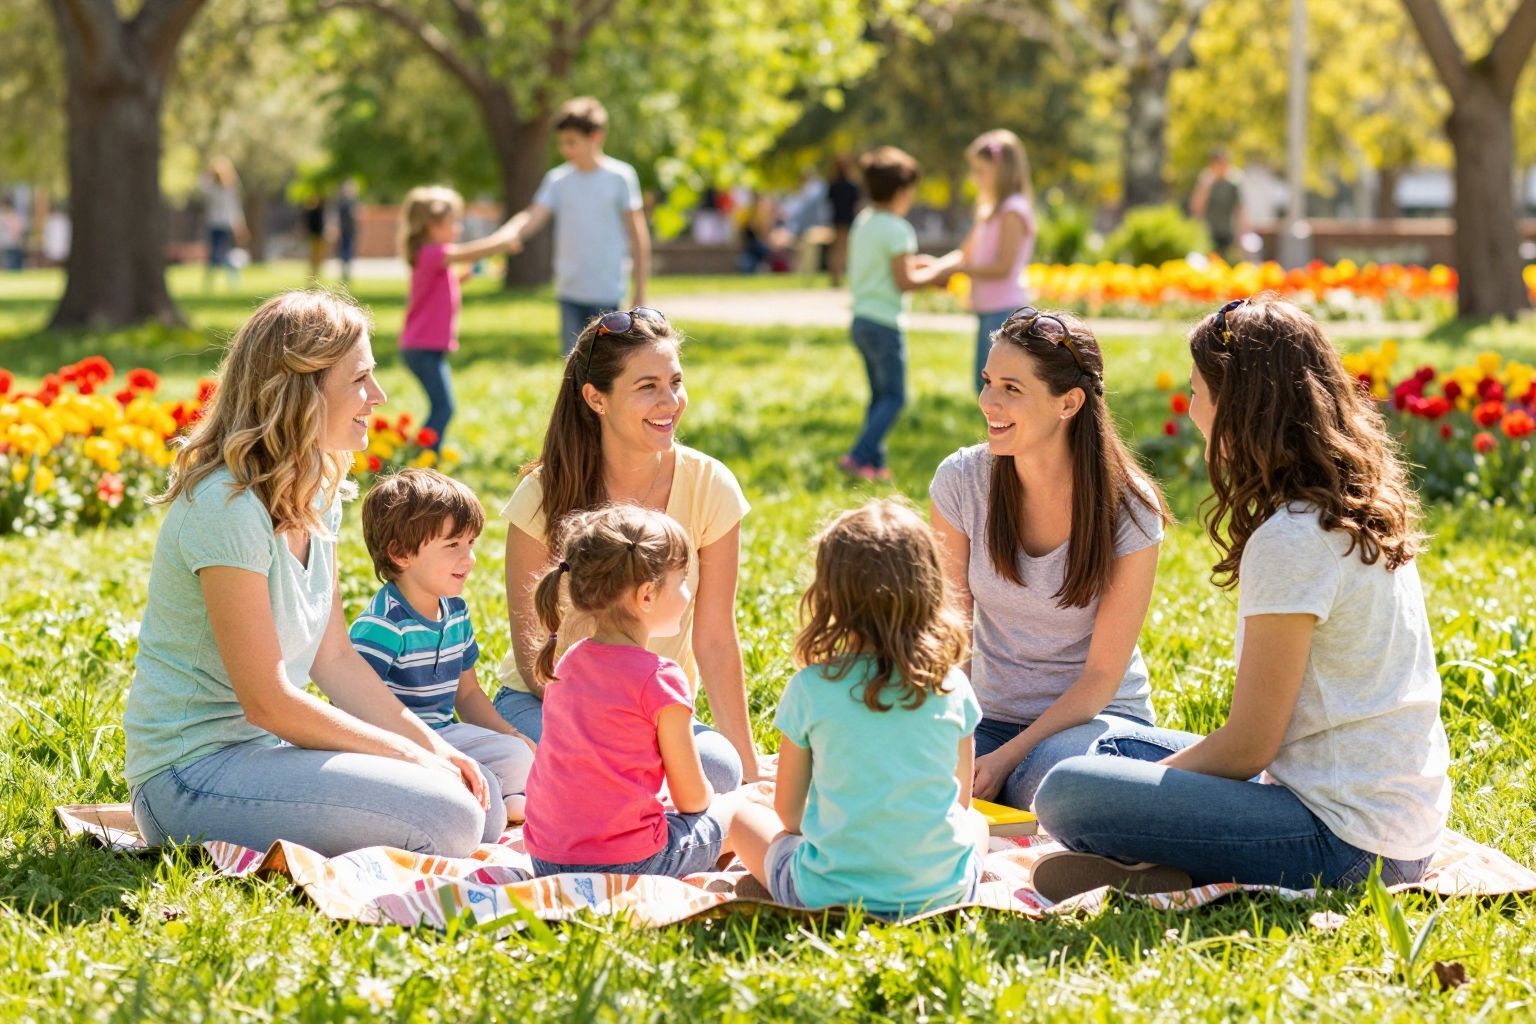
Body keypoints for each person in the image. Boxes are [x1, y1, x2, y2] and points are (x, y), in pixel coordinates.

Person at [1032, 295, 1451, 900]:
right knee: (1108, 745)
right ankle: (1160, 859)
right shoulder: (1355, 507)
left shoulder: (1292, 538)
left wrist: (1144, 790)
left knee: (1069, 788)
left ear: (1238, 407)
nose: (1192, 407)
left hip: (1349, 843)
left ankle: (1150, 849)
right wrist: (1147, 785)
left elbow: (1250, 744)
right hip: (1393, 820)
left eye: (1198, 390)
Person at [124, 291, 501, 858]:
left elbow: (336, 660)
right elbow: (268, 703)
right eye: (361, 380)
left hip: (265, 753)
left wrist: (431, 747)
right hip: (188, 777)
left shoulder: (318, 493)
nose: (378, 397)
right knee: (448, 818)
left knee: (484, 800)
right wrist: (409, 757)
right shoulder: (225, 506)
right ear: (302, 390)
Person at [492, 308, 760, 787]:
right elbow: (534, 649)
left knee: (721, 770)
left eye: (675, 382)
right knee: (606, 771)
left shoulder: (710, 484)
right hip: (547, 702)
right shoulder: (543, 494)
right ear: (596, 398)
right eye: (647, 387)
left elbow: (716, 639)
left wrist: (751, 774)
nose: (671, 402)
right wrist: (612, 731)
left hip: (656, 711)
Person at [929, 308, 1171, 810]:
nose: (987, 402)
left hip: (1091, 723)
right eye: (988, 381)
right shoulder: (961, 480)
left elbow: (1101, 677)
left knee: (1046, 780)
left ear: (1070, 403)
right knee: (895, 769)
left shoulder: (1130, 507)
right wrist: (958, 738)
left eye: (1011, 389)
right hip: (988, 718)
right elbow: (952, 634)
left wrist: (1005, 760)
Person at [729, 499, 989, 914]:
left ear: (829, 595)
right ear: (929, 588)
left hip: (825, 897)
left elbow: (790, 817)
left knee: (741, 817)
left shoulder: (811, 688)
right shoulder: (952, 685)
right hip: (940, 895)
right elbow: (959, 804)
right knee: (975, 824)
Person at [521, 504, 733, 878]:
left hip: (546, 858)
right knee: (745, 813)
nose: (687, 593)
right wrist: (723, 806)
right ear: (647, 595)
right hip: (629, 862)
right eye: (681, 580)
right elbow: (692, 799)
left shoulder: (567, 661)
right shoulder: (660, 678)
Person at [349, 469, 536, 825]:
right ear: (401, 553)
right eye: (453, 546)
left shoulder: (456, 612)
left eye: (471, 544)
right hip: (396, 747)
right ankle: (492, 796)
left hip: (445, 735)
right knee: (489, 810)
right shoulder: (383, 626)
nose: (469, 559)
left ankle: (497, 790)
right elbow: (354, 708)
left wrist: (511, 734)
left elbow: (466, 695)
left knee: (518, 754)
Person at [491, 97, 650, 356]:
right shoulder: (558, 180)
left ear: (595, 137)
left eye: (572, 142)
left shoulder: (620, 177)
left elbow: (638, 235)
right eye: (562, 142)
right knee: (573, 368)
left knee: (605, 369)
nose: (566, 149)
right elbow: (533, 215)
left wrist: (640, 290)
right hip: (569, 291)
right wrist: (506, 236)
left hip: (606, 293)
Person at [839, 146, 962, 483]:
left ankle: (873, 466)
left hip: (861, 320)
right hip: (884, 324)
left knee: (879, 396)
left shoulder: (863, 222)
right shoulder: (897, 229)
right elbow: (904, 280)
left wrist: (921, 265)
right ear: (902, 191)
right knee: (895, 397)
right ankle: (859, 455)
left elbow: (886, 267)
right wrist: (938, 274)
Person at [397, 185, 522, 450]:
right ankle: (425, 454)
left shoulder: (433, 258)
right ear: (432, 226)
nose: (458, 229)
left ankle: (423, 451)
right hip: (422, 348)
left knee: (442, 405)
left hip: (424, 347)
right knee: (444, 406)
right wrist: (502, 241)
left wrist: (468, 274)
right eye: (453, 223)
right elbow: (470, 251)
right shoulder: (433, 253)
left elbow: (446, 285)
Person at [944, 131, 1037, 393]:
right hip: (988, 309)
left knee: (998, 388)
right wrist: (933, 268)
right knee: (984, 385)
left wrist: (958, 270)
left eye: (980, 170)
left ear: (1002, 171)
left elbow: (1003, 266)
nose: (974, 178)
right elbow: (966, 254)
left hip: (1006, 310)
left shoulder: (1013, 211)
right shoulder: (987, 209)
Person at [1190, 148, 1248, 261]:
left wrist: (1242, 234)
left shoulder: (1233, 183)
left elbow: (1239, 210)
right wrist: (1205, 186)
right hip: (1209, 233)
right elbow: (1196, 208)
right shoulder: (1206, 182)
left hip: (1228, 232)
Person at [201, 156, 246, 290]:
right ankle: (218, 282)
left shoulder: (228, 190)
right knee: (219, 254)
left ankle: (227, 281)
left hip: (222, 225)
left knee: (222, 254)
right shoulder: (214, 190)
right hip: (218, 224)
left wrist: (239, 225)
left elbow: (235, 209)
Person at [826, 155, 861, 288]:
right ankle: (838, 276)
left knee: (836, 248)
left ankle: (835, 276)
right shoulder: (852, 185)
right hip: (847, 219)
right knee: (843, 248)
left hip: (836, 219)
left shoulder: (833, 185)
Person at [336, 179, 359, 285]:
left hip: (349, 232)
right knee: (345, 253)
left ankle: (346, 273)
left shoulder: (351, 203)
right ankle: (345, 274)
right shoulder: (344, 204)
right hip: (345, 232)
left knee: (348, 254)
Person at [302, 196, 328, 281]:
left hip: (318, 237)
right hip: (314, 237)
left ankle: (315, 276)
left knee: (318, 259)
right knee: (313, 259)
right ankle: (312, 276)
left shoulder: (319, 210)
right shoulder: (311, 212)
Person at [0, 197, 24, 271]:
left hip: (13, 244)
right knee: (9, 265)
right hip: (7, 245)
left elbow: (16, 230)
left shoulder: (12, 216)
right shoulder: (3, 216)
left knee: (14, 265)